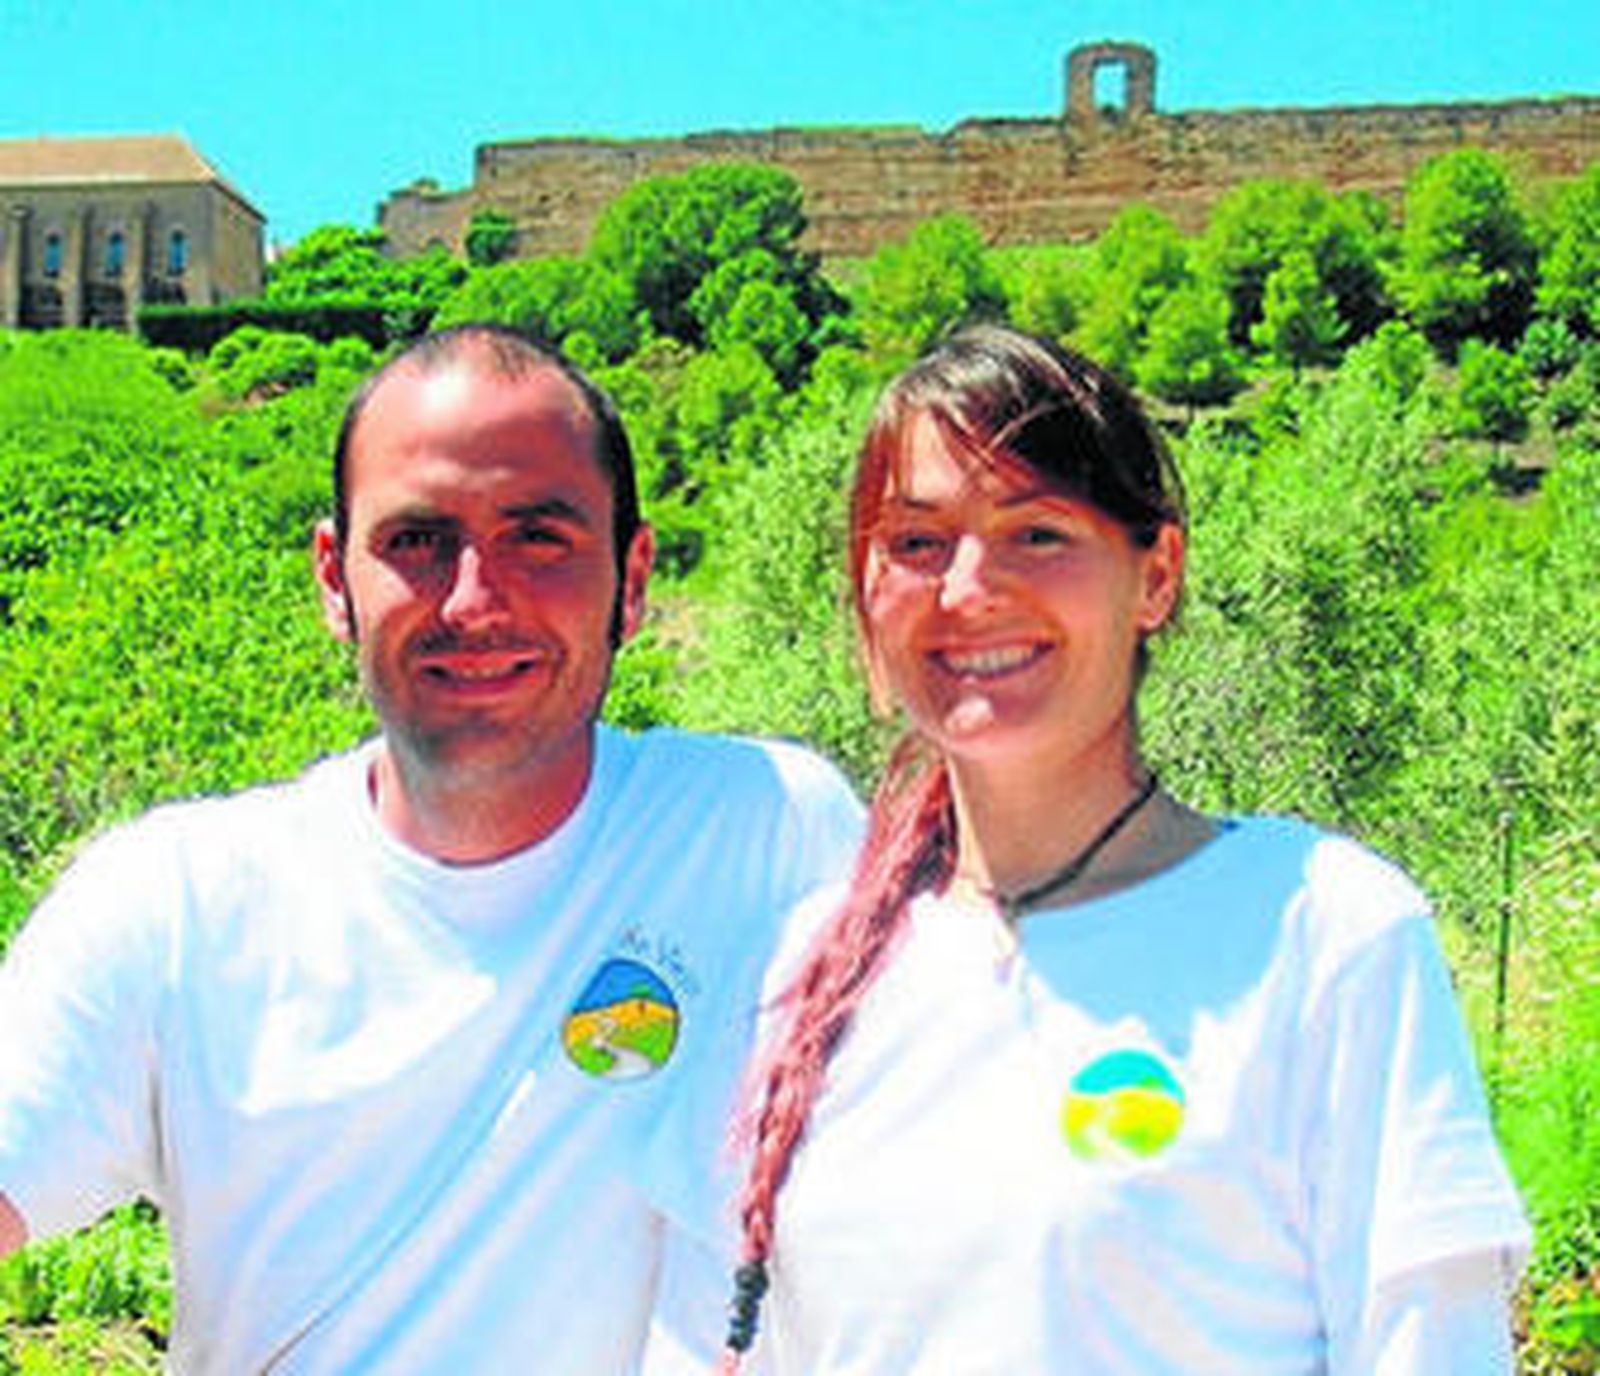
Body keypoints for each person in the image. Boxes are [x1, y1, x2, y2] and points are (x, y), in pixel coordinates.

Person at [0, 324, 863, 1372]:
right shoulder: (173, 903)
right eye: (416, 540)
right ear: (333, 576)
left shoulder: (767, 829)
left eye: (538, 536)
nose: (472, 599)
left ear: (633, 577)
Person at [714, 326, 1529, 1373]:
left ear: (1156, 576)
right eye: (916, 543)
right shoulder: (802, 972)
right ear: (866, 599)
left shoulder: (1321, 928)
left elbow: (1432, 1344)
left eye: (1038, 532)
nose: (968, 587)